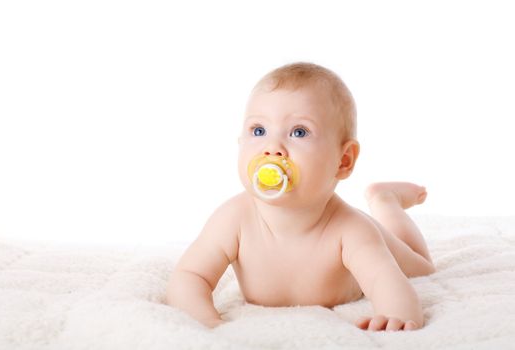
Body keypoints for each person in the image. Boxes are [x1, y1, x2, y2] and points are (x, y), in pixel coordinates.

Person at [165, 62, 436, 332]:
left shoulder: (351, 229)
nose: (272, 149)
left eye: (299, 132)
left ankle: (385, 200)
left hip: (380, 237)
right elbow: (190, 276)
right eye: (259, 130)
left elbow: (385, 281)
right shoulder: (233, 219)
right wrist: (207, 322)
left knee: (422, 266)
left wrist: (395, 314)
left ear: (343, 161)